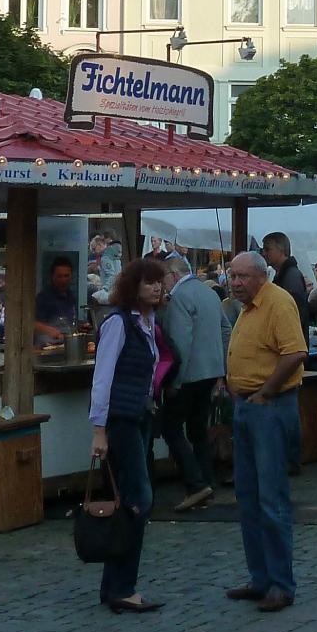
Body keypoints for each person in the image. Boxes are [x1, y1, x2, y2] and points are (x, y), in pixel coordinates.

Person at [222, 252, 307, 611]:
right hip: (246, 405)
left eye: (242, 276)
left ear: (260, 275)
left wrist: (266, 391)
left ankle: (280, 584)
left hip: (269, 407)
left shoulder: (277, 303)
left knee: (271, 499)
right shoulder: (247, 306)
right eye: (232, 276)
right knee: (248, 496)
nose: (235, 282)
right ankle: (260, 578)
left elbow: (295, 353)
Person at [88, 258, 170, 613]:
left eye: (160, 282)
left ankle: (115, 585)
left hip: (138, 416)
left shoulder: (147, 323)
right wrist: (99, 430)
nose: (156, 288)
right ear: (133, 285)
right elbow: (103, 378)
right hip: (121, 420)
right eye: (149, 282)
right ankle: (122, 585)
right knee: (139, 499)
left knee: (131, 500)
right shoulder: (119, 324)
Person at [159, 254, 224, 512]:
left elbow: (179, 344)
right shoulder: (209, 293)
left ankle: (196, 484)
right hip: (210, 372)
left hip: (188, 375)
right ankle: (206, 481)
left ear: (173, 274)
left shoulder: (179, 298)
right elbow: (226, 328)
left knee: (171, 428)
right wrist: (222, 366)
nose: (162, 284)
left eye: (163, 277)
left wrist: (174, 380)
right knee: (198, 429)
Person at [260, 233, 312, 338]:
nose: (264, 253)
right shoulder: (284, 274)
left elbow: (292, 314)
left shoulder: (291, 276)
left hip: (290, 341)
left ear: (282, 250)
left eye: (267, 249)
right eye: (263, 250)